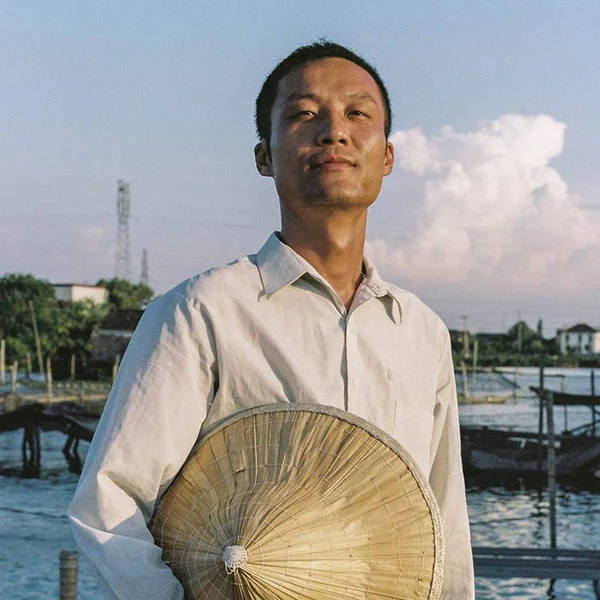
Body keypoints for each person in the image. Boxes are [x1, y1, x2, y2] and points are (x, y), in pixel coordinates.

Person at [69, 40, 475, 599]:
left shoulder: (421, 331)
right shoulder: (203, 312)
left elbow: (443, 521)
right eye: (304, 114)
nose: (334, 132)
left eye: (358, 114)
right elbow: (109, 505)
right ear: (264, 156)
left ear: (386, 157)